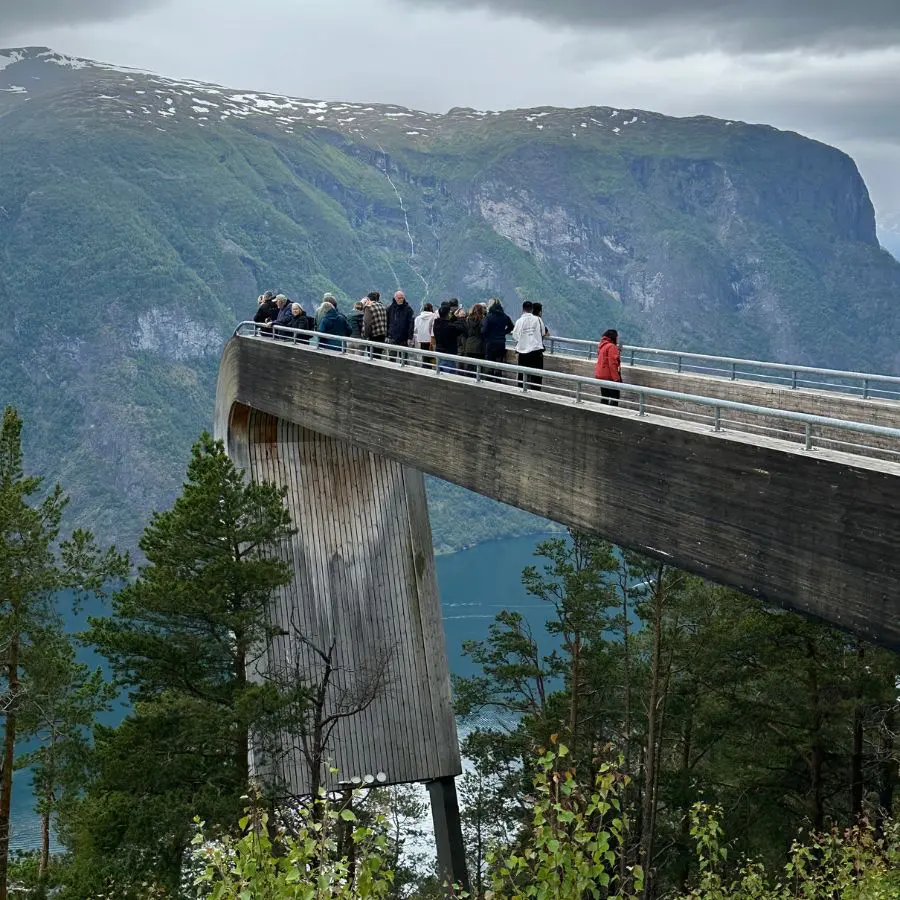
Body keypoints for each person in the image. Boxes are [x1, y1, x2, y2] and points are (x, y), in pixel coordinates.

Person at [512, 301, 545, 389]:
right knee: (537, 377)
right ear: (532, 309)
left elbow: (515, 336)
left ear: (523, 309)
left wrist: (523, 340)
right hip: (536, 352)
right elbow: (543, 332)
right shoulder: (538, 319)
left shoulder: (519, 321)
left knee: (522, 376)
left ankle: (521, 394)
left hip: (523, 353)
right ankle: (536, 395)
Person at [481, 298, 514, 381]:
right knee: (499, 362)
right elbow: (511, 327)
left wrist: (486, 336)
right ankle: (498, 379)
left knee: (489, 362)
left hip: (490, 343)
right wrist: (504, 332)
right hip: (501, 343)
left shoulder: (488, 317)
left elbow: (484, 330)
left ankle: (489, 378)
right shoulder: (505, 317)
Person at [432, 303, 467, 373]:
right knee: (449, 377)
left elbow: (447, 323)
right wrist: (461, 318)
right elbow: (462, 328)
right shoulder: (449, 327)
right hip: (449, 354)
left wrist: (454, 317)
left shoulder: (436, 324)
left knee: (440, 375)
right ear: (448, 314)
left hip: (439, 352)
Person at [595, 329, 622, 405]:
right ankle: (612, 414)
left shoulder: (602, 345)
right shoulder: (611, 347)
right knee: (615, 397)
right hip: (609, 377)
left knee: (605, 397)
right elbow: (612, 364)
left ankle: (602, 413)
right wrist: (616, 379)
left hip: (601, 375)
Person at [387, 290, 415, 358]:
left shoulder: (408, 309)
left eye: (402, 298)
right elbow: (387, 321)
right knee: (392, 357)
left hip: (404, 338)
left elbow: (411, 324)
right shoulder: (390, 308)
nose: (401, 299)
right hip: (392, 337)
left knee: (403, 358)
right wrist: (387, 334)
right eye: (399, 298)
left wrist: (410, 337)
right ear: (395, 298)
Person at [462, 303, 487, 373]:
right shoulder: (483, 320)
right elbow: (484, 331)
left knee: (469, 368)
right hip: (480, 346)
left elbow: (465, 333)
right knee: (478, 369)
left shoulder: (467, 320)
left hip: (469, 345)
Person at [362, 291, 388, 355]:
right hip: (382, 335)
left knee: (372, 356)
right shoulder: (382, 306)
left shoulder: (368, 307)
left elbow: (367, 323)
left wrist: (366, 335)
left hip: (373, 336)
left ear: (368, 299)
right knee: (378, 356)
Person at [414, 303, 437, 367]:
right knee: (431, 357)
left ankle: (424, 368)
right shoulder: (434, 316)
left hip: (421, 339)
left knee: (424, 356)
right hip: (431, 340)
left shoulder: (418, 318)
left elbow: (416, 327)